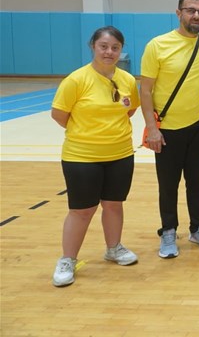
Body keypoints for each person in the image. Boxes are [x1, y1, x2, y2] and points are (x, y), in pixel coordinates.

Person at [51, 27, 140, 287]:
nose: (109, 52)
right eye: (104, 46)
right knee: (82, 210)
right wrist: (88, 133)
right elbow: (59, 115)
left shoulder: (127, 80)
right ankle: (67, 259)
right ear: (93, 46)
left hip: (120, 154)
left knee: (113, 204)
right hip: (82, 157)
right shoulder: (76, 80)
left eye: (115, 47)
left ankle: (114, 248)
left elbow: (130, 110)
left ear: (120, 50)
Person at [141, 0, 199, 258]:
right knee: (168, 185)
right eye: (190, 10)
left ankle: (198, 227)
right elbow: (145, 90)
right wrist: (152, 129)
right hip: (166, 130)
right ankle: (168, 231)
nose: (196, 15)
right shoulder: (157, 45)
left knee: (197, 182)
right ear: (179, 13)